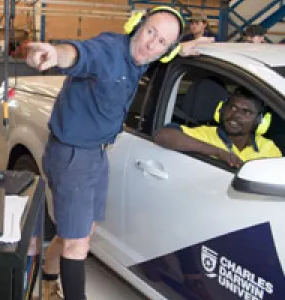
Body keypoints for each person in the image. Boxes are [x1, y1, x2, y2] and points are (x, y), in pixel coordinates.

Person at [24, 6, 214, 300]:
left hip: (96, 154)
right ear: (136, 25)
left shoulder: (144, 56)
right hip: (74, 155)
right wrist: (54, 53)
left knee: (78, 231)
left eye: (162, 41)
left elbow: (164, 52)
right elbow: (77, 54)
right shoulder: (108, 51)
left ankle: (47, 280)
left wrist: (181, 49)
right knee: (78, 244)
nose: (152, 44)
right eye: (151, 32)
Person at [154, 87, 282, 168]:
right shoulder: (205, 134)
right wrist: (219, 153)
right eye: (232, 107)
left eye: (246, 112)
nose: (236, 115)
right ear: (221, 109)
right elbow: (163, 136)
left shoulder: (269, 149)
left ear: (260, 121)